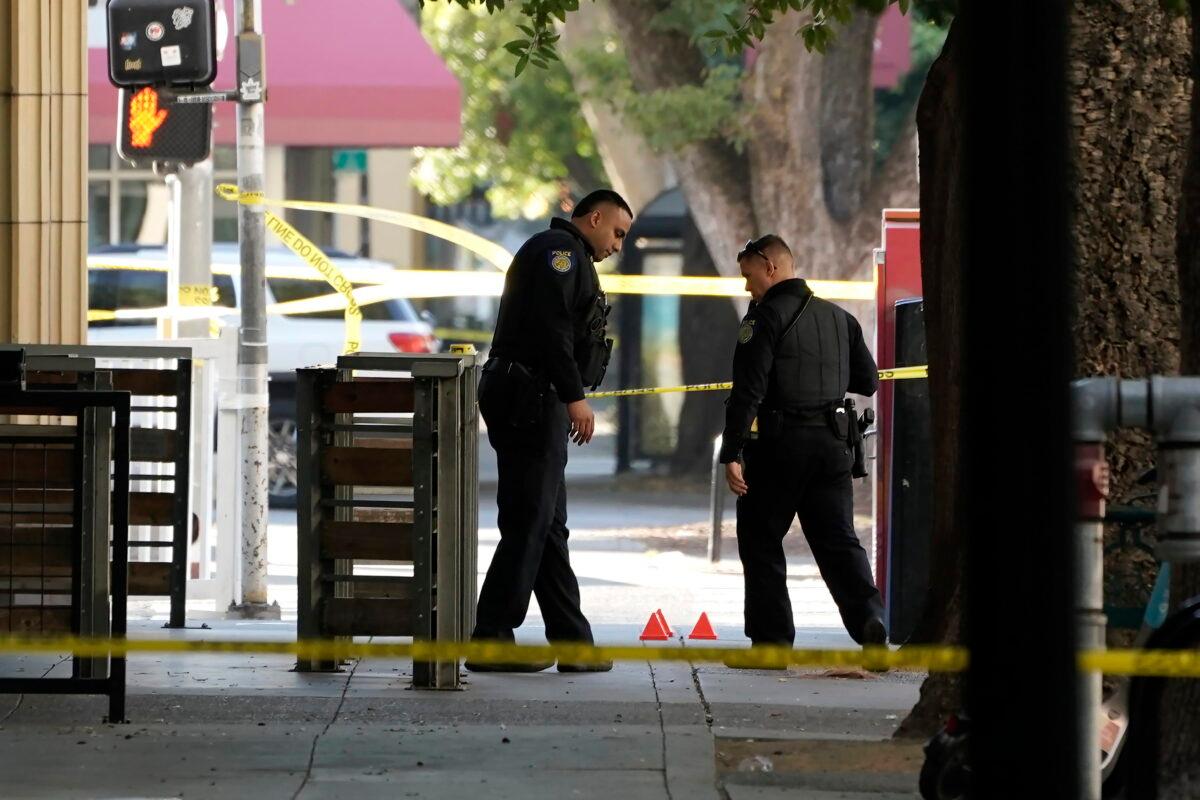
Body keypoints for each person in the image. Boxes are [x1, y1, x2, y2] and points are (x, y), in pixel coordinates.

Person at [466, 189, 633, 673]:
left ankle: (573, 641)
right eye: (617, 232)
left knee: (547, 525)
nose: (618, 244)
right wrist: (574, 395)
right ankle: (491, 637)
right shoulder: (559, 254)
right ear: (594, 218)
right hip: (531, 397)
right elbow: (552, 329)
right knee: (529, 520)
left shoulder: (567, 255)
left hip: (536, 397)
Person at [719, 234, 886, 653]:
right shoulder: (840, 318)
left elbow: (748, 391)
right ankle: (871, 620)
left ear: (770, 266)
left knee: (760, 540)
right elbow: (868, 380)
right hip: (833, 448)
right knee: (839, 541)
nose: (746, 286)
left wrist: (732, 452)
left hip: (779, 447)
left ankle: (772, 643)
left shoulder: (764, 319)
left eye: (748, 275)